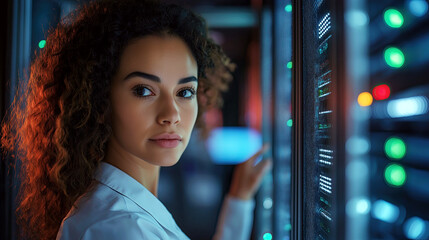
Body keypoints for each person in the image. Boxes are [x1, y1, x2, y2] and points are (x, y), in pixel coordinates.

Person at [1, 0, 272, 239]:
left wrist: (239, 199)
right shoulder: (122, 228)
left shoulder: (121, 214)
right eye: (143, 90)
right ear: (100, 99)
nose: (172, 114)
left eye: (185, 92)